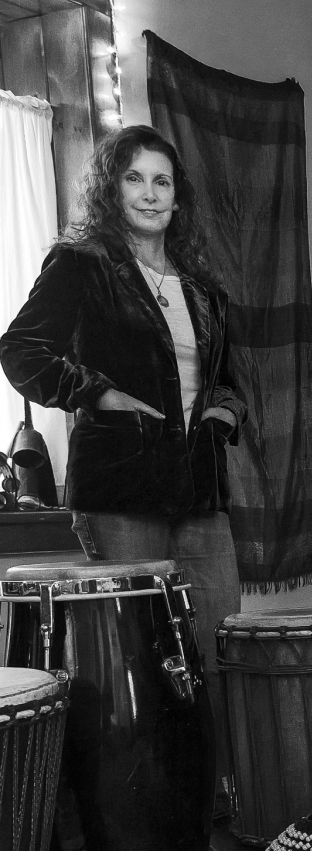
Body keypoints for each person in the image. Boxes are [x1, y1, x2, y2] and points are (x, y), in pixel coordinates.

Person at [0, 124, 247, 809]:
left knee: (216, 652)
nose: (149, 192)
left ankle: (209, 802)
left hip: (201, 497)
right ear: (112, 188)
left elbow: (227, 380)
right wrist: (97, 393)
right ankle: (144, 815)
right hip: (120, 494)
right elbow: (20, 350)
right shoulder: (81, 265)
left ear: (178, 197)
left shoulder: (202, 287)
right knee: (140, 662)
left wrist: (225, 414)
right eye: (134, 177)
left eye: (162, 180)